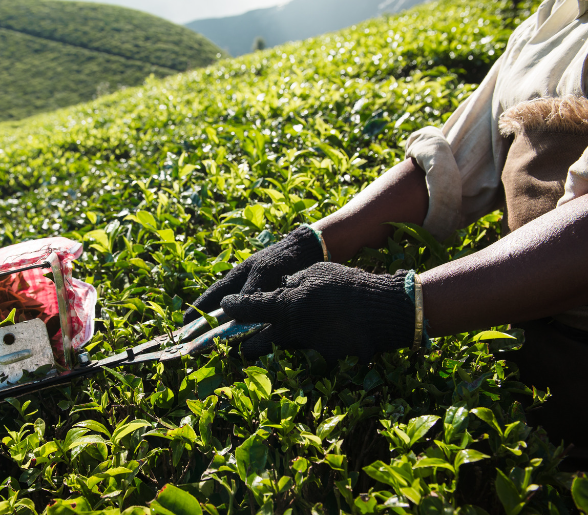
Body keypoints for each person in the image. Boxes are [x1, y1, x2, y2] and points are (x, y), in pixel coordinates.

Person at [185, 0, 588, 448]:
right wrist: (313, 242)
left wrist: (397, 305)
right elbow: (453, 163)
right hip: (515, 342)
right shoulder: (550, 20)